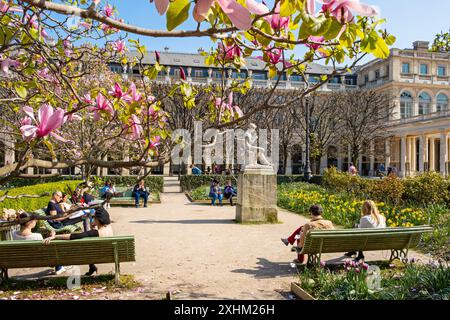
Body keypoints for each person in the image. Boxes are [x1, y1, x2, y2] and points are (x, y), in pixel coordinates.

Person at [43, 207, 113, 276]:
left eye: (94, 217)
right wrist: (94, 225)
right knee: (90, 247)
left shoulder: (95, 233)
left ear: (97, 219)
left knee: (69, 247)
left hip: (93, 255)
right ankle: (92, 267)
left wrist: (55, 236)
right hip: (107, 254)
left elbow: (74, 236)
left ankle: (58, 267)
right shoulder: (109, 228)